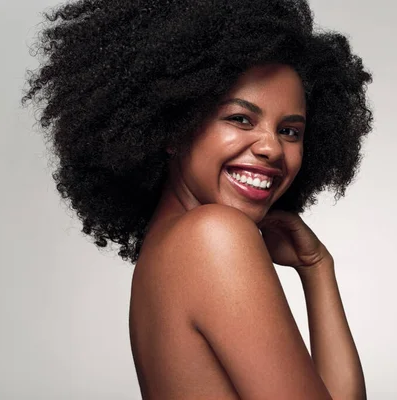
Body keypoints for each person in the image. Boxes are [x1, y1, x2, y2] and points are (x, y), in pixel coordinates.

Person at [23, 0, 373, 398]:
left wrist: (316, 268)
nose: (272, 148)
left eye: (290, 131)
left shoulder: (168, 251)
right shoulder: (214, 236)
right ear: (175, 127)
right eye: (241, 119)